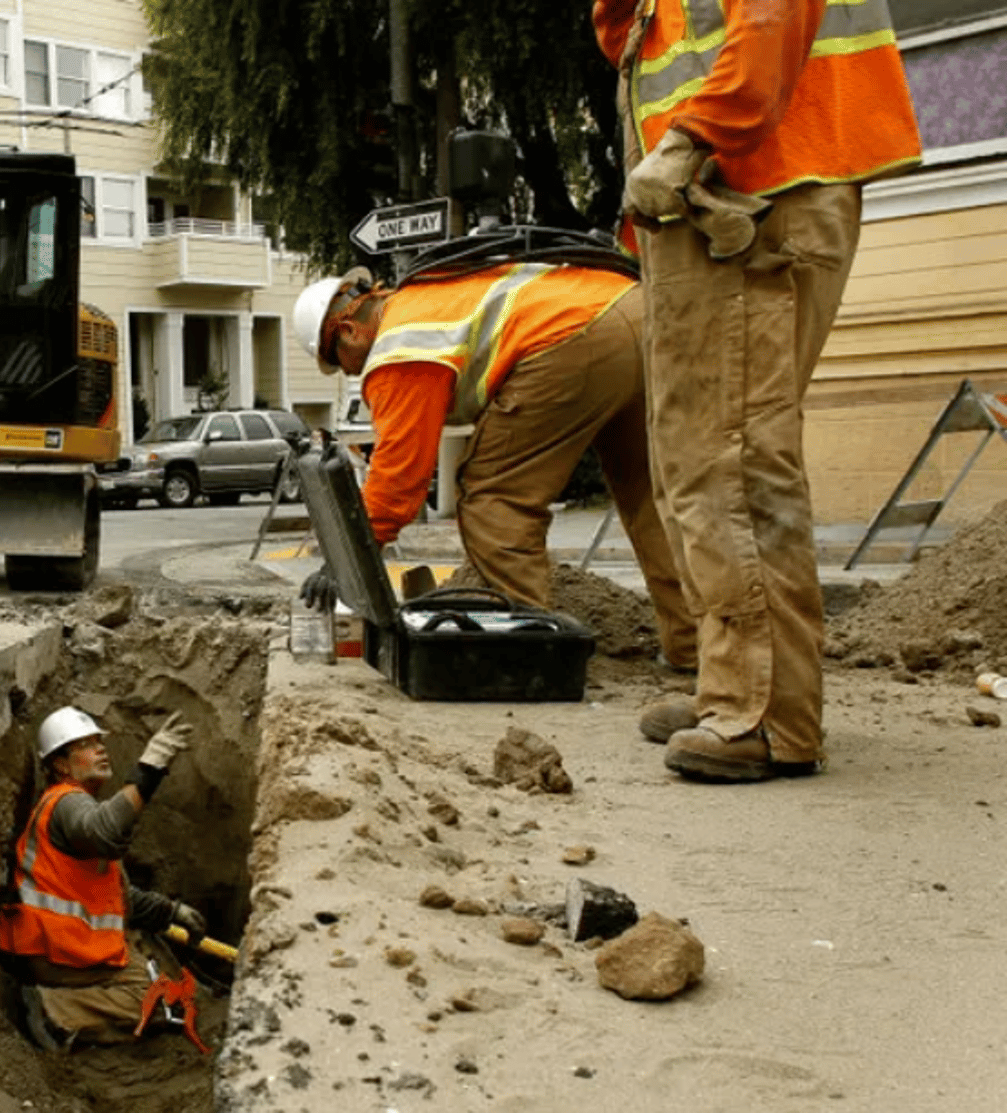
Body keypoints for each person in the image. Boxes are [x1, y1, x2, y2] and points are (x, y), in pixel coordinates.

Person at [595, 0, 921, 782]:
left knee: (731, 456)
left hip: (752, 197)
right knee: (691, 459)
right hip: (713, 204)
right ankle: (731, 682)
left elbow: (770, 22)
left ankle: (763, 711)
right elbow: (626, 43)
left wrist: (690, 138)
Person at [291, 263, 697, 670]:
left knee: (493, 496)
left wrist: (345, 561)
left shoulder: (398, 348)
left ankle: (530, 656)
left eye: (339, 361)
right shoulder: (431, 299)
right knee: (650, 495)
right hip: (637, 310)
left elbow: (398, 480)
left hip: (571, 336)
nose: (349, 372)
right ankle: (693, 646)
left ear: (348, 332)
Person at [0, 706, 208, 1050]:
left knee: (151, 968)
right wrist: (150, 768)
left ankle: (70, 1008)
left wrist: (172, 912)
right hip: (54, 949)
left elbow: (117, 898)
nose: (100, 749)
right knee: (161, 999)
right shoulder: (65, 803)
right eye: (85, 744)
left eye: (99, 741)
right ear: (61, 765)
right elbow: (105, 831)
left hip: (57, 946)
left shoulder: (77, 808)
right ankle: (57, 1012)